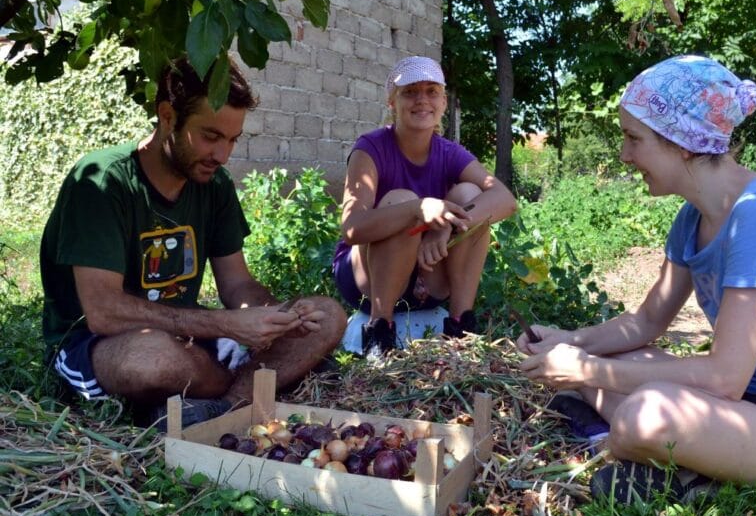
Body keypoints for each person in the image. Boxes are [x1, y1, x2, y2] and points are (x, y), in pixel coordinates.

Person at [517, 55, 756, 504]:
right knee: (629, 361)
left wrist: (588, 369)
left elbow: (725, 377)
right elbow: (646, 323)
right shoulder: (692, 219)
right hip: (752, 403)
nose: (624, 155)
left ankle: (678, 469)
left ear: (684, 142)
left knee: (642, 414)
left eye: (634, 139)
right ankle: (682, 464)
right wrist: (569, 343)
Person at [41, 56, 347, 428]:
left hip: (191, 342)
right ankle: (250, 387)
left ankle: (222, 408)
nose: (223, 156)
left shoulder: (214, 186)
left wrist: (278, 315)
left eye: (233, 140)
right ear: (168, 116)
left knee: (327, 315)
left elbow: (238, 285)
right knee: (154, 359)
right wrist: (228, 325)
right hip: (101, 346)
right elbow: (104, 312)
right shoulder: (102, 182)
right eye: (211, 137)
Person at [333, 56, 517, 358]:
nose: (422, 100)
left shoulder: (449, 151)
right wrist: (418, 210)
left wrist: (445, 228)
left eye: (432, 91)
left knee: (471, 194)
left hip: (427, 272)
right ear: (392, 101)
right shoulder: (371, 148)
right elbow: (352, 228)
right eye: (410, 92)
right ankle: (379, 333)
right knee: (400, 201)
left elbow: (505, 199)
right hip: (368, 279)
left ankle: (460, 328)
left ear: (443, 102)